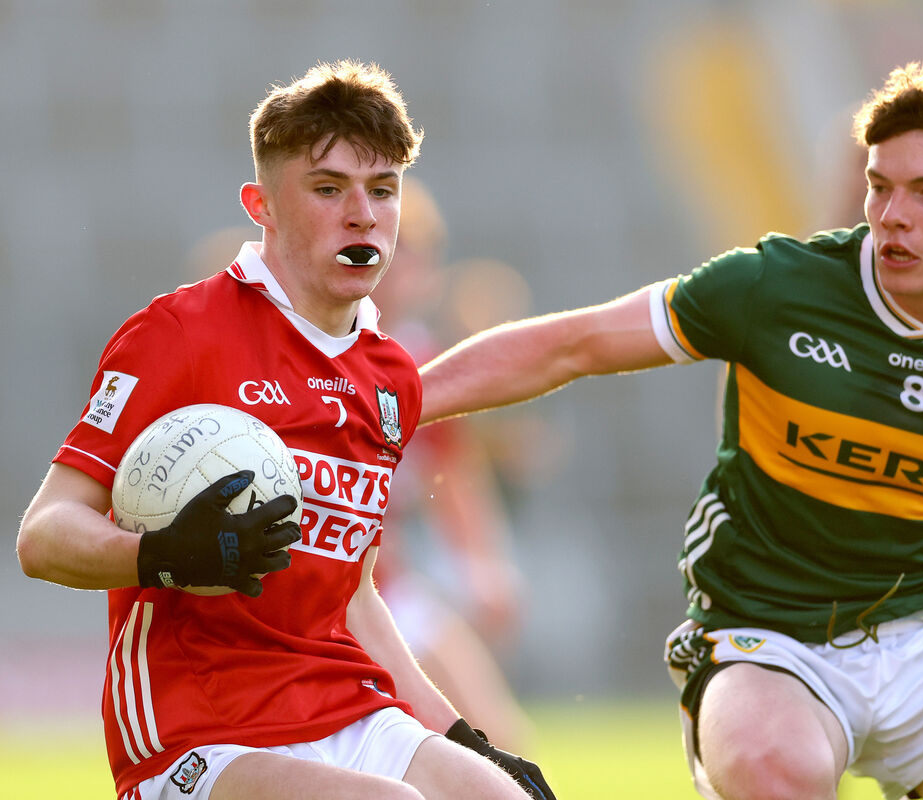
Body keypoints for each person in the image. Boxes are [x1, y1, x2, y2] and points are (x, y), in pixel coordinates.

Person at [417, 62, 923, 799]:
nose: (891, 216)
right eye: (881, 187)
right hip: (767, 639)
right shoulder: (774, 286)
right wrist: (393, 403)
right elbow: (571, 344)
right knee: (775, 772)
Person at [16, 60, 554, 800]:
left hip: (345, 704)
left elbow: (356, 595)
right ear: (261, 205)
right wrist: (165, 555)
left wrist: (463, 738)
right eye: (329, 189)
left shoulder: (390, 375)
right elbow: (42, 537)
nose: (363, 214)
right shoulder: (180, 332)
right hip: (200, 729)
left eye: (382, 190)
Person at [371, 176, 535, 751]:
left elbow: (451, 470)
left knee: (498, 740)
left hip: (386, 590)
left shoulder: (416, 358)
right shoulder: (307, 347)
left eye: (418, 258)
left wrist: (484, 566)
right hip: (323, 595)